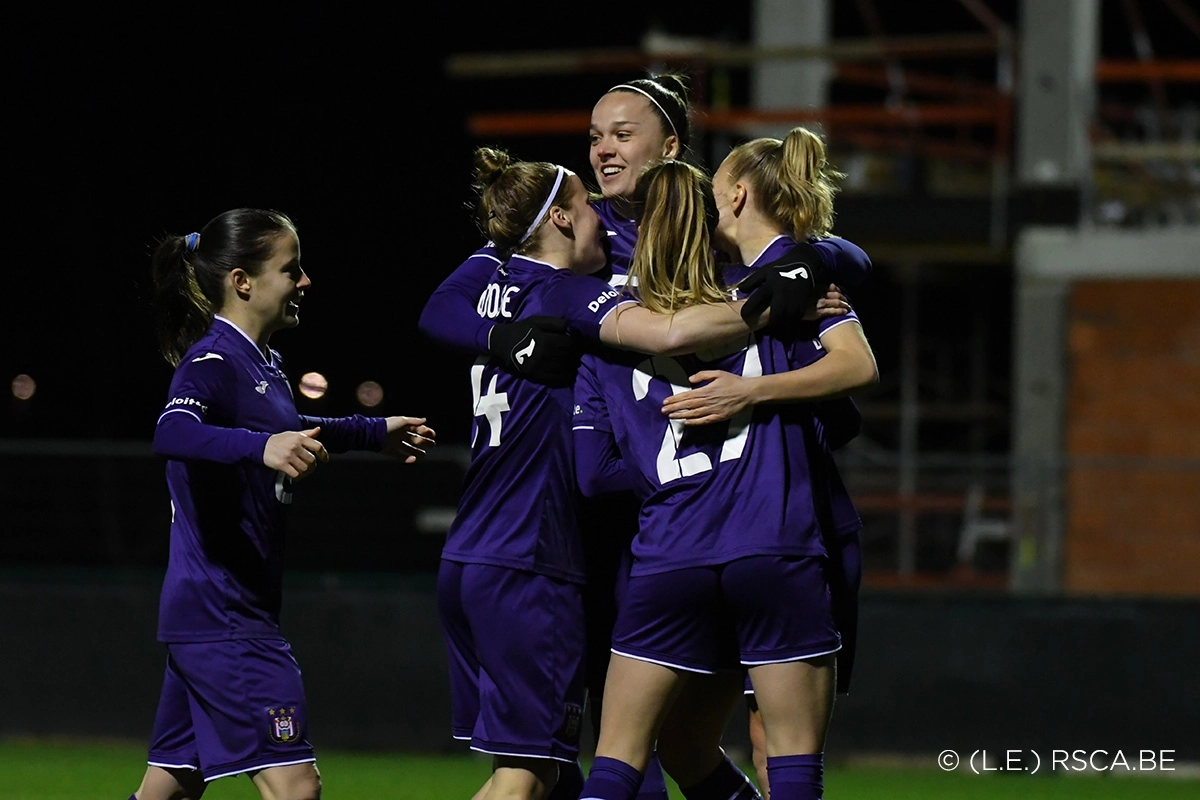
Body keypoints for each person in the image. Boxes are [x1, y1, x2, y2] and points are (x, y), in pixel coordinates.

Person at [420, 74, 867, 799]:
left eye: (622, 133)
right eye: (594, 135)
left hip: (737, 508)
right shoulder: (573, 234)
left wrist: (808, 262)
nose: (603, 149)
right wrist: (506, 340)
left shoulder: (705, 223)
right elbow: (442, 308)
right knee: (633, 736)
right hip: (634, 524)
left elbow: (842, 253)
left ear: (671, 145)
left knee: (718, 736)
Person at [573, 159, 877, 800]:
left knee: (621, 759)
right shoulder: (775, 299)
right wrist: (762, 389)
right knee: (788, 758)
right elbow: (854, 372)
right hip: (773, 535)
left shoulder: (604, 327)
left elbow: (595, 473)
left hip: (668, 551)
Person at [129, 208, 436, 800]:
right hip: (225, 616)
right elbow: (172, 432)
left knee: (168, 789)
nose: (305, 281)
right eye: (291, 269)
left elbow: (291, 425)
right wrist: (260, 446)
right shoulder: (213, 361)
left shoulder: (261, 362)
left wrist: (371, 434)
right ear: (243, 281)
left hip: (216, 614)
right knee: (296, 787)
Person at [659, 128, 872, 798]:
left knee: (775, 743)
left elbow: (856, 363)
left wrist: (748, 390)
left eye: (714, 192)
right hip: (728, 533)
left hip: (796, 526)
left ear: (738, 193)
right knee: (685, 743)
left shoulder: (798, 273)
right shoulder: (740, 283)